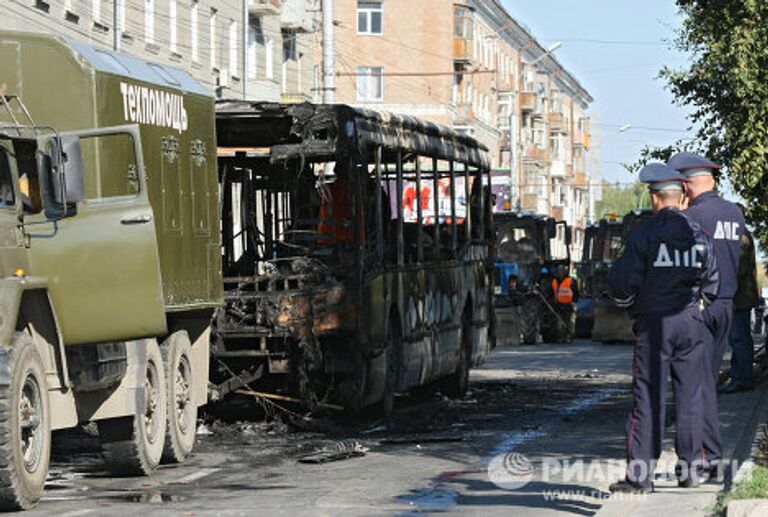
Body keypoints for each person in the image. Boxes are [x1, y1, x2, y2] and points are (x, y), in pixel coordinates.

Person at [608, 163, 719, 493]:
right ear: (681, 196)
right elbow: (712, 282)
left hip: (656, 325)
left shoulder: (644, 234)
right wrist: (697, 307)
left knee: (648, 399)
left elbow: (622, 283)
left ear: (654, 197)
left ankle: (641, 477)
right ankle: (690, 470)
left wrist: (630, 305)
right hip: (691, 323)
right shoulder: (698, 233)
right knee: (691, 397)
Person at [667, 151, 745, 475]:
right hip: (727, 303)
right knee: (707, 382)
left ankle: (703, 457)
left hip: (699, 304)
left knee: (693, 385)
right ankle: (711, 454)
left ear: (686, 185)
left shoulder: (692, 218)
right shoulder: (734, 213)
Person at [721, 205, 759, 393]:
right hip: (741, 296)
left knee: (739, 339)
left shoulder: (740, 237)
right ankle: (740, 376)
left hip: (739, 297)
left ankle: (742, 378)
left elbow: (738, 269)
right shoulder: (743, 234)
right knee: (739, 338)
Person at [551, 265, 579, 341]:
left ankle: (570, 336)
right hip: (559, 305)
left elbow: (576, 293)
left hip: (569, 305)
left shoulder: (571, 281)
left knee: (570, 322)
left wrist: (574, 302)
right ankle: (561, 337)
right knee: (560, 323)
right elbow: (552, 293)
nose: (561, 272)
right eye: (559, 271)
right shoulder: (554, 281)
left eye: (562, 271)